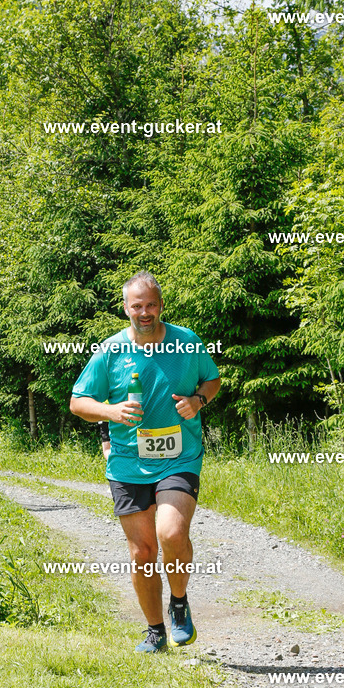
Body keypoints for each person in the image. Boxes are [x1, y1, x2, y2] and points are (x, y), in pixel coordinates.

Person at [70, 271, 221, 653]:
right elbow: (78, 402)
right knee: (142, 552)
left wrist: (198, 401)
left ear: (161, 305)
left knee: (171, 533)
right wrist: (111, 411)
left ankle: (179, 603)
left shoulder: (186, 342)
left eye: (151, 304)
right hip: (127, 463)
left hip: (179, 457)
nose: (145, 312)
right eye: (137, 305)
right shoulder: (110, 351)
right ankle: (155, 632)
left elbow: (212, 379)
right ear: (126, 308)